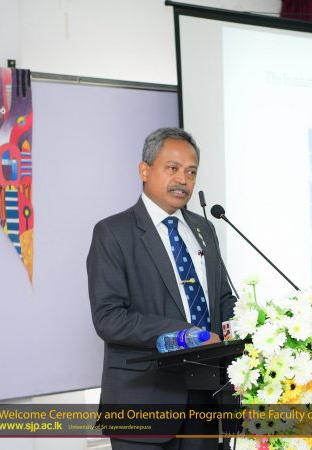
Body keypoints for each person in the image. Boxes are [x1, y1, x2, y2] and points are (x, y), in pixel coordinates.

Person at [87, 127, 237, 449]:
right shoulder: (113, 233)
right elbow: (109, 318)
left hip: (204, 399)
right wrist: (187, 335)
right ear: (144, 170)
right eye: (173, 168)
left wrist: (257, 326)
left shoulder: (204, 228)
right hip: (142, 401)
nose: (183, 179)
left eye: (191, 172)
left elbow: (222, 299)